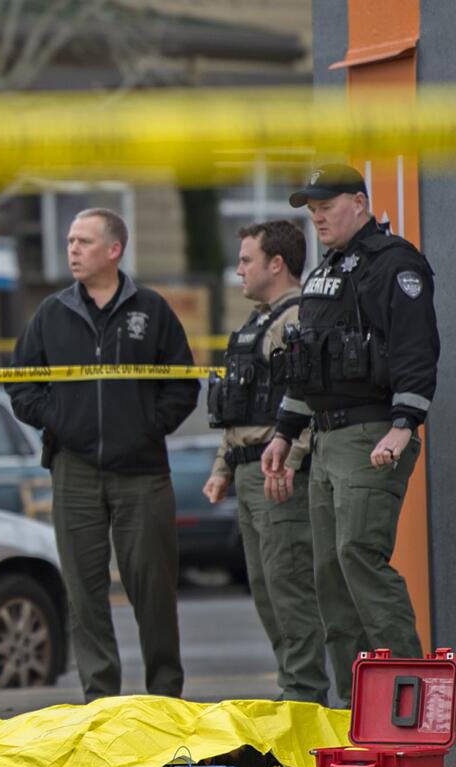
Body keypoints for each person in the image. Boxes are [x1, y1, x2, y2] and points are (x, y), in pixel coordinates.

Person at [261, 164, 440, 707]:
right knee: (331, 576)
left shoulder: (394, 263)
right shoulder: (327, 271)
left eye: (326, 203)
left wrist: (403, 425)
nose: (316, 214)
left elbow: (415, 349)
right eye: (310, 207)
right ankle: (356, 712)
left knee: (359, 557)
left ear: (359, 203)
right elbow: (309, 365)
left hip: (372, 433)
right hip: (325, 438)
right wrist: (284, 433)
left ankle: (413, 709)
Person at [6, 207, 199, 702]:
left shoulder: (152, 311)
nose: (72, 249)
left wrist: (144, 429)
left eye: (84, 242)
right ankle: (100, 699)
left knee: (153, 590)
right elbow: (21, 384)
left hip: (143, 472)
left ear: (114, 250)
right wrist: (62, 424)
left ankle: (164, 697)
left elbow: (181, 385)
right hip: (74, 471)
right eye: (70, 240)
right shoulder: (52, 313)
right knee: (84, 593)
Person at [203, 220, 328, 705]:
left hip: (278, 475)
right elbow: (236, 407)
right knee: (266, 590)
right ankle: (294, 691)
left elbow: (306, 401)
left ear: (276, 264)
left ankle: (304, 699)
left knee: (290, 587)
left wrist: (290, 461)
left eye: (247, 259)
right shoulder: (257, 322)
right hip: (250, 470)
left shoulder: (295, 320)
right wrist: (221, 468)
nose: (238, 269)